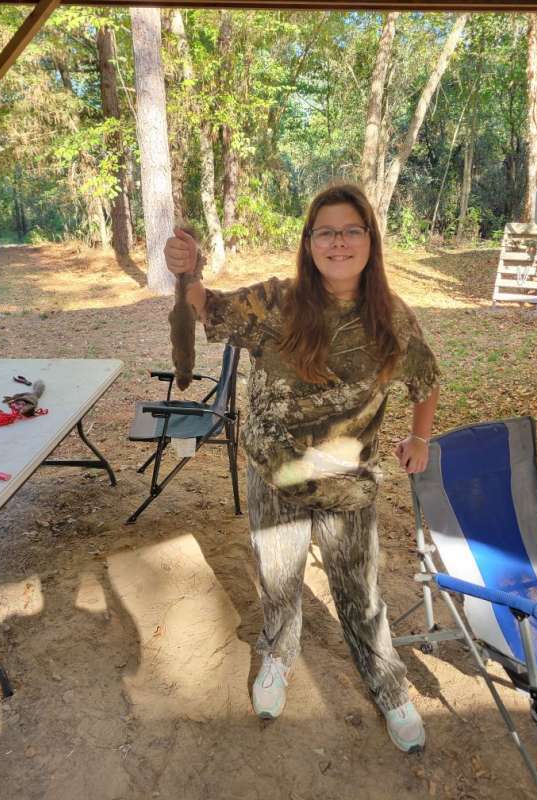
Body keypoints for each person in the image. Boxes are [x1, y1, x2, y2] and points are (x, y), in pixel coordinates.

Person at [164, 183, 440, 754]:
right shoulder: (277, 303)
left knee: (361, 594)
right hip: (277, 479)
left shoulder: (393, 318)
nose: (338, 242)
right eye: (325, 232)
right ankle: (279, 655)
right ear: (309, 243)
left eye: (351, 231)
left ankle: (387, 683)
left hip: (348, 486)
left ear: (370, 240)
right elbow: (205, 308)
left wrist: (420, 437)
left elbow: (426, 380)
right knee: (279, 582)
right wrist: (189, 271)